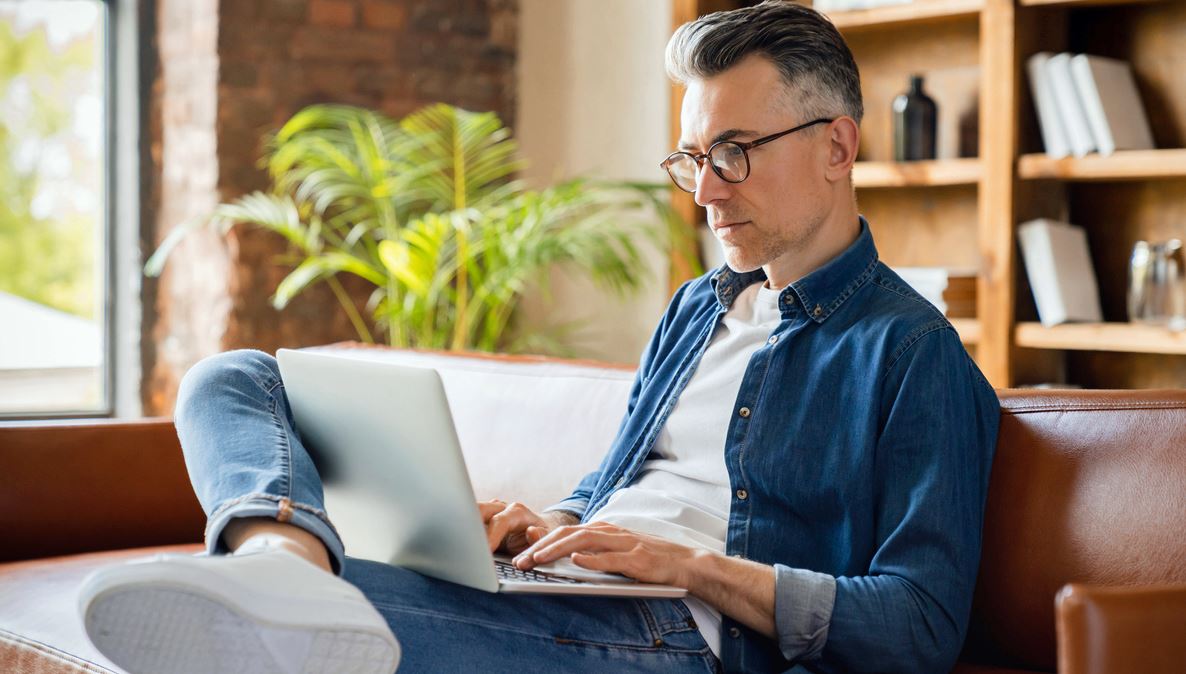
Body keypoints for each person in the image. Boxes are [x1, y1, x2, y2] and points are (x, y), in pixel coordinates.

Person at [80, 2, 999, 672]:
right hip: (574, 595)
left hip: (679, 635)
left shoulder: (916, 357)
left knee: (326, 619)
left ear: (838, 148)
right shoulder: (698, 308)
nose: (707, 191)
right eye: (693, 159)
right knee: (228, 377)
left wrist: (694, 569)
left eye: (735, 153)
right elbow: (615, 484)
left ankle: (285, 598)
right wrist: (553, 523)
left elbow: (918, 624)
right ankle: (284, 559)